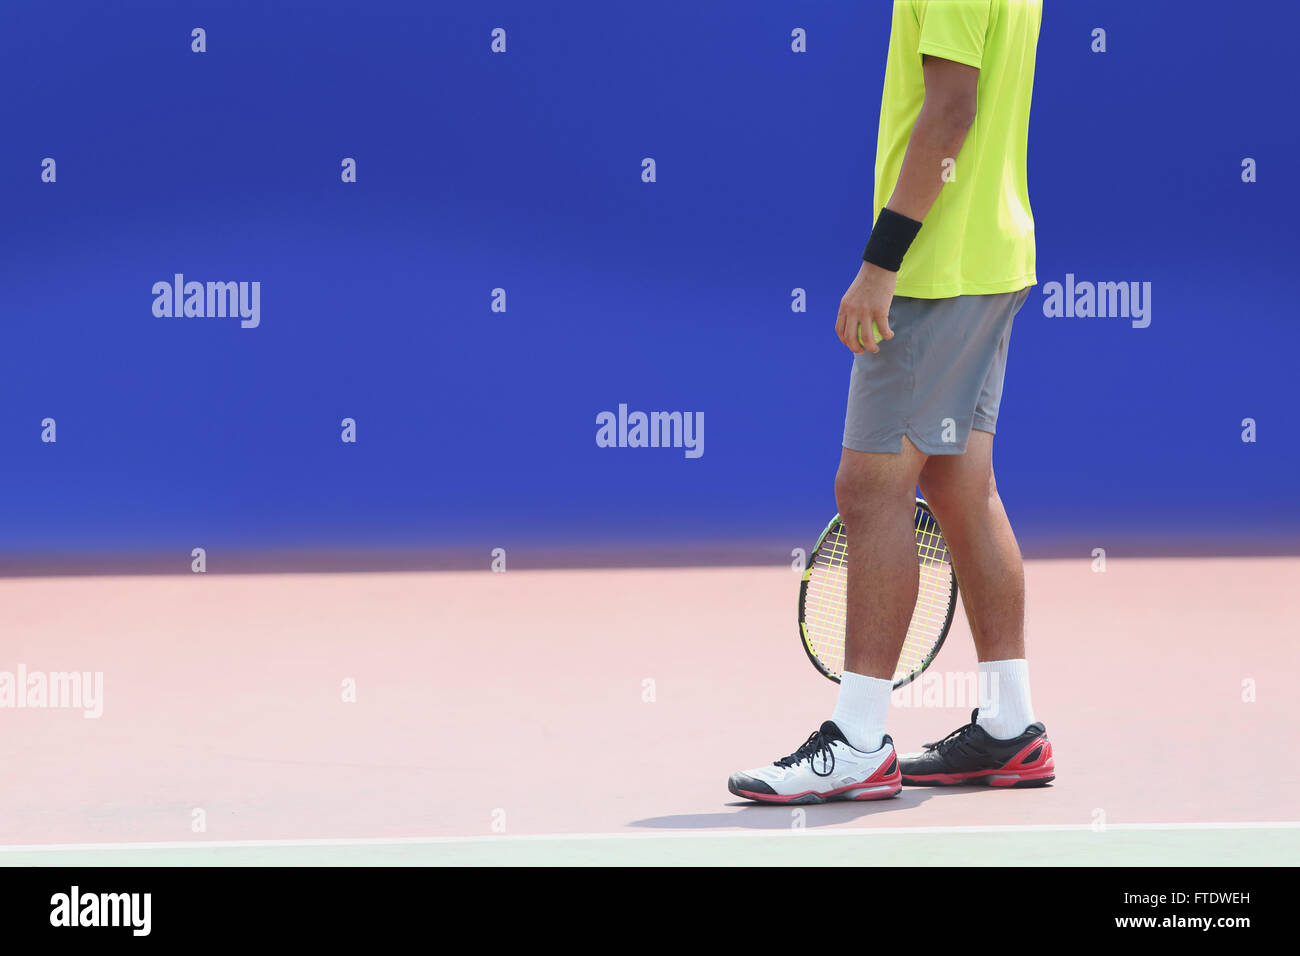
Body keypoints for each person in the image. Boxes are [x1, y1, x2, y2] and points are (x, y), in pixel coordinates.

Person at [729, 0, 1054, 803]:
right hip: (993, 252)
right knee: (957, 485)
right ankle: (1010, 728)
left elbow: (950, 111)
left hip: (937, 270)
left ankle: (860, 739)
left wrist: (881, 263)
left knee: (870, 488)